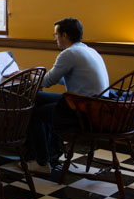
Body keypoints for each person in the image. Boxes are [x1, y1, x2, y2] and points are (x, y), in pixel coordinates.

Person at [25, 17, 109, 174]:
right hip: (95, 104)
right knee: (37, 99)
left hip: (82, 108)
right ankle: (51, 151)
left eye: (55, 35)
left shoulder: (69, 53)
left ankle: (42, 162)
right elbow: (72, 78)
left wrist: (30, 76)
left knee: (33, 112)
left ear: (64, 35)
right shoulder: (88, 50)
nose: (55, 38)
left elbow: (47, 82)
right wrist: (40, 76)